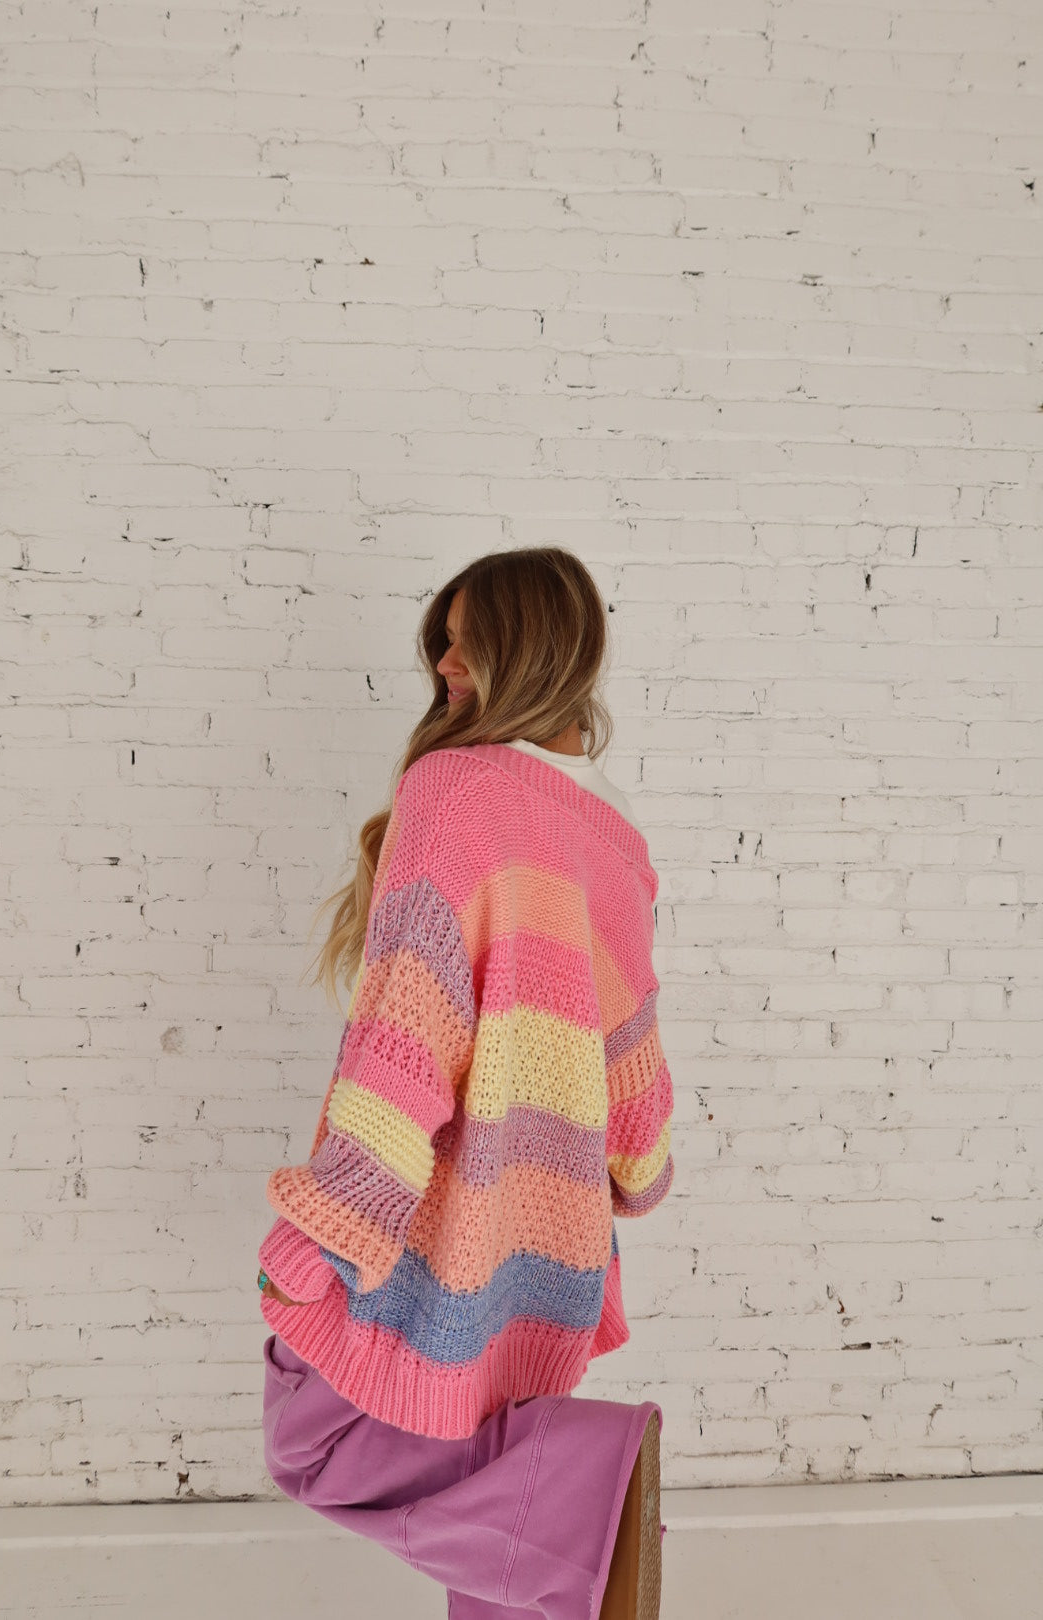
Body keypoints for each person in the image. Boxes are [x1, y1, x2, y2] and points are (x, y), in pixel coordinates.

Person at [255, 547, 674, 1620]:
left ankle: (598, 1485)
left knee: (312, 1441)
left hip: (442, 1237)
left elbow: (405, 1041)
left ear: (537, 649)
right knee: (497, 1534)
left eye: (468, 640)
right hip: (560, 1243)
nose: (443, 663)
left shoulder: (459, 789)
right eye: (441, 640)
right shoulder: (616, 831)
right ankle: (580, 1504)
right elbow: (632, 1051)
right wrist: (640, 1168)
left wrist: (321, 1235)